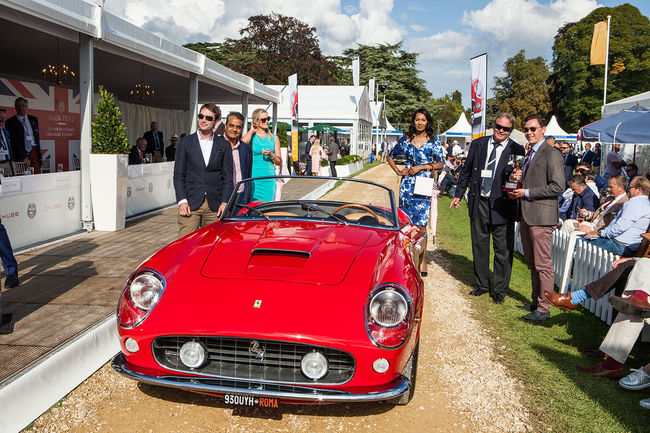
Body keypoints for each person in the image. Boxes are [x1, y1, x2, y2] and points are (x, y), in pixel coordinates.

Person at [451, 113, 525, 304]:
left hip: (502, 205)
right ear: (493, 125)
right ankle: (482, 284)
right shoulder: (478, 144)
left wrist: (520, 177)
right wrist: (458, 194)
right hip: (479, 202)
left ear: (511, 131)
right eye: (498, 126)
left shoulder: (516, 149)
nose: (501, 130)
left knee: (503, 250)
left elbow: (522, 176)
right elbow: (466, 171)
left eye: (505, 128)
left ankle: (500, 290)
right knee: (479, 245)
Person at [508, 114, 565, 321]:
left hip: (541, 216)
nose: (529, 133)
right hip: (527, 214)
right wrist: (519, 180)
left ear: (543, 129)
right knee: (532, 262)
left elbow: (558, 186)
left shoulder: (551, 153)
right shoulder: (530, 153)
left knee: (542, 264)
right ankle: (535, 302)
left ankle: (544, 309)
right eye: (526, 129)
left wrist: (527, 192)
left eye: (533, 129)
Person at [387, 108, 445, 276]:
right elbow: (390, 156)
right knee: (405, 222)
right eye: (417, 119)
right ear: (413, 121)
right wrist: (398, 171)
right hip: (407, 185)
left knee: (421, 224)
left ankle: (422, 257)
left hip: (424, 183)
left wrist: (422, 166)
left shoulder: (434, 140)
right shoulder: (405, 140)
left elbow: (441, 164)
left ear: (428, 122)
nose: (420, 123)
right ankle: (405, 257)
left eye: (423, 120)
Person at [173, 103, 233, 237]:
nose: (203, 120)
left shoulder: (224, 144)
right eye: (201, 116)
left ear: (216, 121)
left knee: (213, 246)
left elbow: (228, 177)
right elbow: (178, 175)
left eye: (208, 118)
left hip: (215, 206)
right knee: (185, 245)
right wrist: (182, 200)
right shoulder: (185, 143)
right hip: (190, 204)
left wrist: (225, 202)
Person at [583, 176, 650, 257]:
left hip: (620, 246)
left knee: (579, 243)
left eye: (630, 187)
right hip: (626, 245)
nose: (628, 189)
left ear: (639, 190)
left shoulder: (634, 203)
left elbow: (620, 227)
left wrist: (599, 234)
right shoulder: (646, 204)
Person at [560, 174, 628, 235]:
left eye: (611, 187)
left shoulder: (624, 203)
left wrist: (593, 229)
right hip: (591, 224)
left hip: (598, 229)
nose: (608, 189)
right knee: (568, 223)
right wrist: (588, 214)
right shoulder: (610, 198)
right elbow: (598, 214)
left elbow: (612, 225)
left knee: (574, 233)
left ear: (620, 188)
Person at [241, 108, 281, 201]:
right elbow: (242, 144)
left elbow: (279, 162)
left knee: (268, 205)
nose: (267, 121)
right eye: (263, 120)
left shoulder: (274, 138)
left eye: (268, 119)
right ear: (256, 122)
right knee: (253, 204)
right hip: (254, 175)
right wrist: (251, 130)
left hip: (268, 176)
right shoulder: (252, 137)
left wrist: (271, 155)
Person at [222, 112, 252, 205]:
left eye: (238, 127)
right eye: (231, 125)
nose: (234, 129)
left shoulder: (246, 149)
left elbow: (248, 174)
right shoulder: (216, 145)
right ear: (225, 126)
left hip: (240, 195)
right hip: (221, 196)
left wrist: (247, 196)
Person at [6, 97, 41, 173]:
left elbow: (37, 138)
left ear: (27, 107)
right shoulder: (10, 122)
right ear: (15, 107)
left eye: (23, 105)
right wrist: (23, 157)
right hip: (21, 154)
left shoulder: (33, 119)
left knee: (37, 176)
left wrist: (40, 156)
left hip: (33, 152)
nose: (21, 108)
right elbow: (14, 141)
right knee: (23, 178)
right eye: (18, 106)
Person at [0, 109, 15, 176]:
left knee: (9, 184)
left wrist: (11, 161)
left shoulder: (5, 132)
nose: (3, 119)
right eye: (1, 117)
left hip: (7, 163)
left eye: (4, 117)